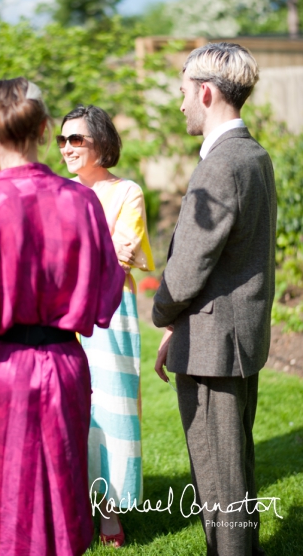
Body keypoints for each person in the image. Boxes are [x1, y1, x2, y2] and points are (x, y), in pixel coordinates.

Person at [0, 77, 124, 556]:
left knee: (8, 513)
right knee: (61, 508)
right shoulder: (82, 202)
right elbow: (107, 292)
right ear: (45, 129)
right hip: (63, 366)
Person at [153, 42, 274, 556]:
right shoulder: (255, 155)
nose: (180, 104)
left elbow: (187, 268)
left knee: (220, 483)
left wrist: (162, 316)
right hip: (235, 342)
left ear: (205, 92)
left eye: (182, 93)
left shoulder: (221, 165)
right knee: (234, 472)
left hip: (213, 347)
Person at [59, 104, 155, 546]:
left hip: (111, 314)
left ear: (101, 142)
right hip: (61, 317)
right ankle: (73, 504)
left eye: (76, 139)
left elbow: (120, 252)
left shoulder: (126, 192)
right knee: (71, 412)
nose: (67, 147)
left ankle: (111, 511)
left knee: (112, 412)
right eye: (62, 139)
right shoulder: (58, 192)